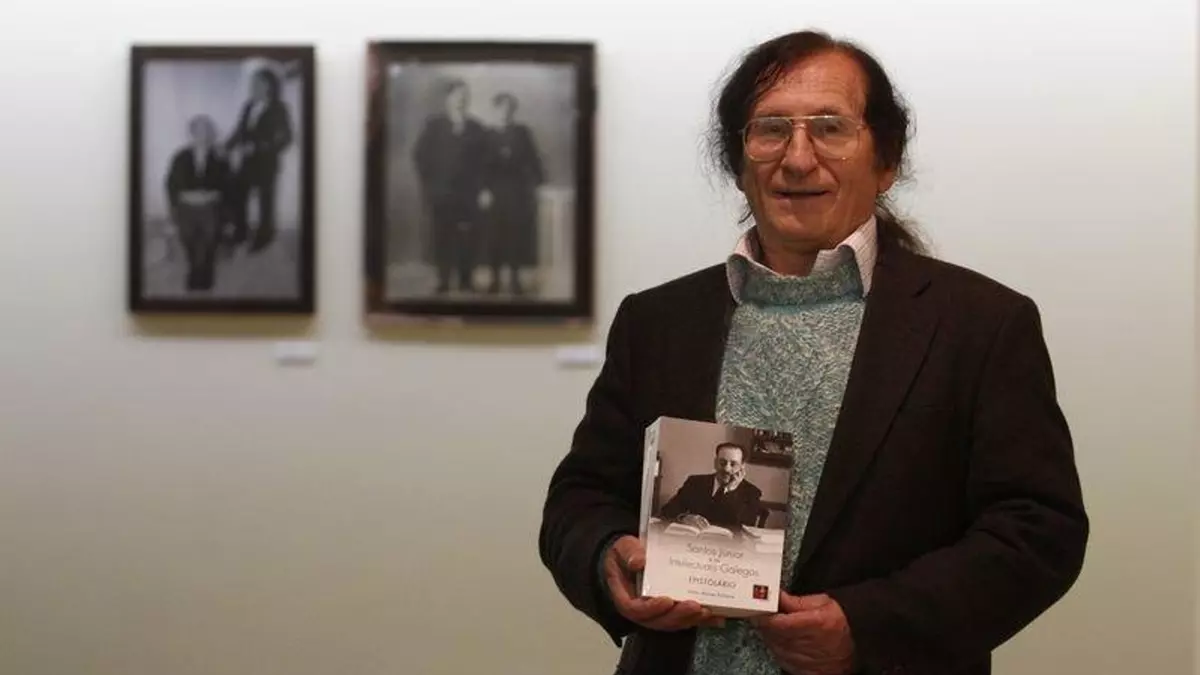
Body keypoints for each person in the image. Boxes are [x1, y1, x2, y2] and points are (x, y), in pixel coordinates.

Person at [538, 29, 1088, 675]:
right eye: (771, 130)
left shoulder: (980, 325)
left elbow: (1036, 530)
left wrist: (868, 625)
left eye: (830, 129)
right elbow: (582, 497)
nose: (798, 159)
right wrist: (606, 557)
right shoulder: (658, 321)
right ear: (738, 162)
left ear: (886, 162)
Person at [412, 78, 493, 294]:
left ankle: (466, 280)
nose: (460, 100)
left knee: (468, 238)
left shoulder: (477, 128)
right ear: (447, 99)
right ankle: (444, 280)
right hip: (441, 193)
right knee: (442, 238)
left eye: (464, 97)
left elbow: (486, 163)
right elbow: (420, 156)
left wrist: (483, 189)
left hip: (469, 194)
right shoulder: (434, 126)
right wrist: (431, 183)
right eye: (457, 96)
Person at [225, 66, 293, 254]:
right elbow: (239, 130)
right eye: (252, 83)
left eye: (257, 83)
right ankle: (240, 233)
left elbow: (285, 138)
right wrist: (226, 146)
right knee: (238, 196)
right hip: (246, 163)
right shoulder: (248, 106)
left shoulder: (279, 108)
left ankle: (264, 237)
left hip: (266, 164)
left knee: (265, 204)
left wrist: (258, 146)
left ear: (268, 86)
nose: (252, 87)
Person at [484, 92, 545, 295]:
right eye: (501, 108)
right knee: (494, 237)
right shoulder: (487, 135)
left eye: (509, 108)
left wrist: (539, 184)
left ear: (513, 111)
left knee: (515, 237)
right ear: (495, 110)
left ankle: (514, 280)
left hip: (517, 192)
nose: (505, 112)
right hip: (494, 193)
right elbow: (479, 166)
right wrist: (484, 190)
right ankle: (494, 280)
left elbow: (534, 160)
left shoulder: (522, 133)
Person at [164, 114, 233, 292]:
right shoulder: (180, 156)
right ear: (191, 134)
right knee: (188, 240)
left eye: (205, 131)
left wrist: (228, 219)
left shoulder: (220, 158)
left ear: (210, 134)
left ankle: (206, 273)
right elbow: (171, 185)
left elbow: (228, 189)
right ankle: (194, 269)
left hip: (210, 208)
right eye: (197, 131)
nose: (201, 135)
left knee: (210, 241)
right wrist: (172, 213)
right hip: (186, 208)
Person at [659, 442, 763, 531]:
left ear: (742, 467)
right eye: (722, 463)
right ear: (715, 463)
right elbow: (667, 511)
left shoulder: (752, 492)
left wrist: (731, 491)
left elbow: (745, 526)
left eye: (733, 464)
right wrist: (684, 517)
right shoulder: (695, 482)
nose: (726, 469)